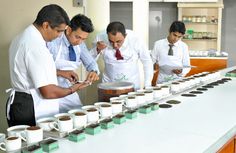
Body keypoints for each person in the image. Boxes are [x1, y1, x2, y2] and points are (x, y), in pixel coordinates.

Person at [7, 4, 88, 127]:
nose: (60, 35)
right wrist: (74, 88)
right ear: (45, 25)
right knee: (34, 144)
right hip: (30, 107)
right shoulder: (35, 46)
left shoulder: (22, 37)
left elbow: (31, 70)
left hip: (20, 103)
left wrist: (60, 73)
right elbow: (48, 92)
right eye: (59, 31)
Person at [47, 14, 99, 113]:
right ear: (69, 30)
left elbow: (91, 63)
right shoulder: (53, 42)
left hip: (69, 90)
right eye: (77, 37)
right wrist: (60, 72)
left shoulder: (80, 44)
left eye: (83, 39)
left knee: (79, 116)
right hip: (50, 92)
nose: (80, 42)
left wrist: (94, 71)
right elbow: (41, 69)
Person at [90, 21, 153, 89]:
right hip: (108, 84)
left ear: (125, 36)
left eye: (118, 41)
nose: (115, 45)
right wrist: (97, 49)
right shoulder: (100, 38)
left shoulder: (136, 39)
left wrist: (147, 84)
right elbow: (89, 60)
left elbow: (147, 61)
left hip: (132, 84)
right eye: (111, 41)